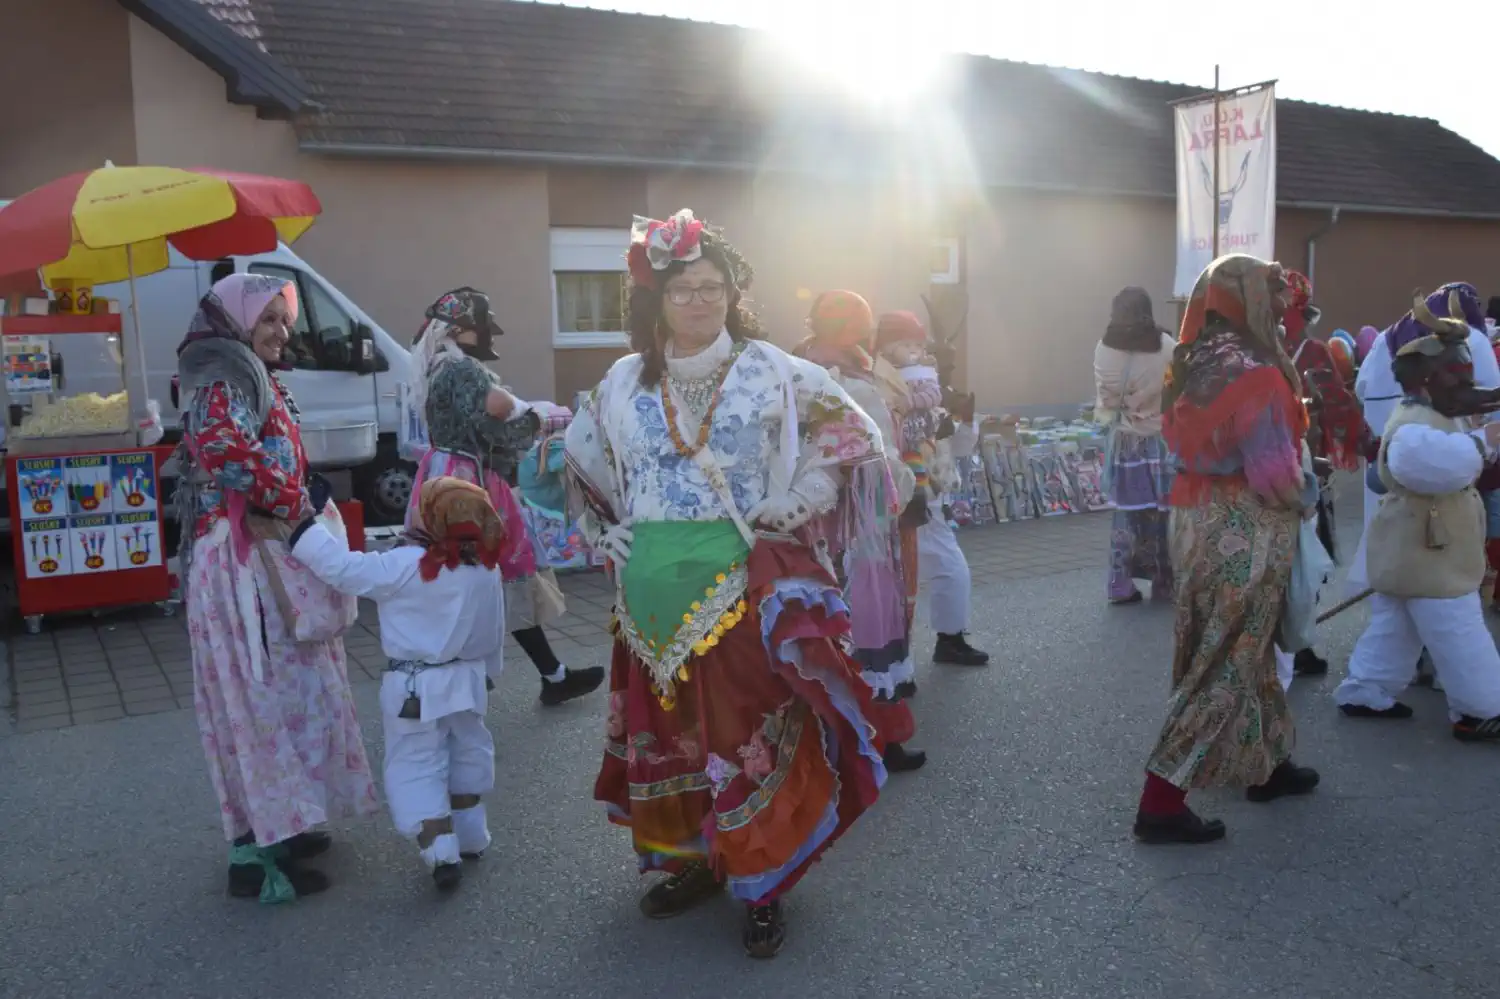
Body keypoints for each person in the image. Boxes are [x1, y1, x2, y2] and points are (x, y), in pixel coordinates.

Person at [564, 209, 888, 958]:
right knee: (669, 743)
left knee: (746, 740)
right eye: (684, 288)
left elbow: (850, 434)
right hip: (646, 599)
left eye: (713, 287)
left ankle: (763, 877)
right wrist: (596, 532)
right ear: (656, 299)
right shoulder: (619, 382)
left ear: (731, 293)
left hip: (740, 587)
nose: (701, 301)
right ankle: (694, 866)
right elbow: (576, 462)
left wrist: (799, 497)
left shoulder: (773, 368)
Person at [174, 273, 378, 901]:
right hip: (242, 564)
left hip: (265, 552)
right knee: (258, 699)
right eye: (267, 319)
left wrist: (297, 505)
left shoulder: (243, 370)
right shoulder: (220, 372)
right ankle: (255, 850)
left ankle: (287, 821)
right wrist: (294, 500)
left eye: (284, 320)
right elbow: (221, 451)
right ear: (235, 321)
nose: (281, 331)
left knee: (292, 691)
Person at [1133, 254, 1321, 846]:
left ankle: (1265, 762)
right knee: (1226, 655)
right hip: (1247, 521)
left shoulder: (1190, 361)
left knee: (1244, 646)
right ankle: (1161, 799)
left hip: (1195, 515)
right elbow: (1275, 473)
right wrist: (1310, 495)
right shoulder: (1259, 371)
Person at [289, 476, 505, 890]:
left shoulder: (406, 565)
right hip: (467, 680)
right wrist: (488, 675)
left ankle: (441, 851)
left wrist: (305, 528)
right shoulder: (484, 569)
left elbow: (344, 569)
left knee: (417, 761)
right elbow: (492, 630)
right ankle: (472, 836)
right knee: (469, 751)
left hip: (414, 686)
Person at [405, 288, 604, 706]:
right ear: (460, 329)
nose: (486, 335)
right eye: (480, 327)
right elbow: (488, 430)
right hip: (470, 480)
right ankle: (487, 673)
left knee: (465, 573)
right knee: (501, 569)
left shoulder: (436, 367)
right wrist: (531, 423)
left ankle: (530, 673)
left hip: (442, 473)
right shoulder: (464, 371)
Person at [1334, 291, 1500, 739]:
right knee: (1458, 629)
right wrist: (1485, 441)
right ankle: (1481, 708)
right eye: (1456, 377)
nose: (1467, 387)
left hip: (1416, 550)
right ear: (1426, 381)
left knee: (1396, 625)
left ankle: (1366, 690)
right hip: (1430, 552)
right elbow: (1438, 466)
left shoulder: (1437, 414)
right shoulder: (1412, 426)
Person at [796, 290, 926, 772]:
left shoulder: (796, 370)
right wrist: (907, 488)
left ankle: (823, 741)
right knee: (869, 624)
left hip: (813, 525)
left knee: (822, 622)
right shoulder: (857, 384)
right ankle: (878, 739)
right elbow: (883, 463)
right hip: (862, 524)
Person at [875, 310, 989, 666]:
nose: (911, 351)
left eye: (916, 344)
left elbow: (957, 447)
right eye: (903, 343)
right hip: (901, 488)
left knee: (922, 570)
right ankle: (926, 646)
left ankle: (934, 641)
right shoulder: (879, 382)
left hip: (920, 489)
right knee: (936, 569)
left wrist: (963, 421)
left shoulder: (925, 388)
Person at [1277, 271, 1364, 677]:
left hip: (1260, 467)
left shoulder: (1257, 347)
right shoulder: (1312, 351)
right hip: (1307, 464)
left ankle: (1271, 642)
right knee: (1309, 556)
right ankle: (1301, 643)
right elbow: (1337, 405)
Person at [1093, 287, 1175, 605]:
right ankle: (1164, 581)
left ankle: (1119, 582)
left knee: (1125, 515)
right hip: (1161, 442)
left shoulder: (1102, 349)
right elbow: (1176, 391)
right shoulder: (1167, 347)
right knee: (1163, 515)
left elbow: (1105, 401)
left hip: (1126, 443)